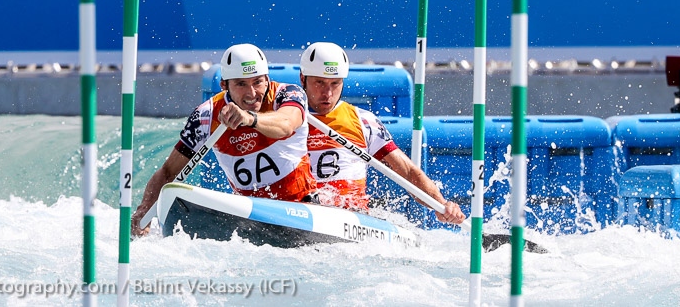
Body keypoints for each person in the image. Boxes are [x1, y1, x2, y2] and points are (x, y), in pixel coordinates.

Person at [131, 43, 317, 236]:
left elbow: (286, 123)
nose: (252, 93)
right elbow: (169, 173)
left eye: (258, 82)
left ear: (267, 80)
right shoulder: (206, 115)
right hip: (250, 215)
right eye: (241, 84)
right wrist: (145, 210)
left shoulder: (287, 94)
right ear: (224, 85)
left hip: (301, 207)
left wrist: (249, 118)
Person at [300, 41, 465, 225]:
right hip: (301, 214)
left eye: (335, 83)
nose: (328, 93)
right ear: (302, 79)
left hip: (352, 218)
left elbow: (409, 172)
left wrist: (442, 205)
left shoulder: (363, 121)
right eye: (319, 83)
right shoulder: (286, 118)